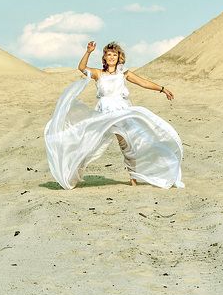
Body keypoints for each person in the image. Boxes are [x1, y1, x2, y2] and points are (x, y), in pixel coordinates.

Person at [44, 40, 184, 189]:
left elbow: (143, 82)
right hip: (104, 114)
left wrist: (162, 89)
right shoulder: (99, 74)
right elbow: (82, 68)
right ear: (104, 57)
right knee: (90, 143)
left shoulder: (123, 73)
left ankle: (134, 179)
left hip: (121, 112)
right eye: (108, 54)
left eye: (114, 54)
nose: (111, 57)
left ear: (119, 57)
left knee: (128, 145)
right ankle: (72, 175)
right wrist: (88, 52)